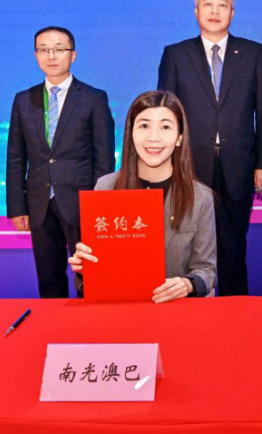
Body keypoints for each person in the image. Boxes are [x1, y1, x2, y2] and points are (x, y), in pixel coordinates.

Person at [157, 0, 262, 296]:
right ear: (196, 11)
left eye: (223, 5)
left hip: (239, 165)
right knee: (187, 246)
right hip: (189, 165)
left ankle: (236, 310)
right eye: (208, 4)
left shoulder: (253, 52)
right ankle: (188, 305)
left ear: (232, 13)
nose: (215, 11)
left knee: (233, 247)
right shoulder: (176, 54)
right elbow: (165, 114)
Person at [69, 91, 217, 301]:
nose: (153, 137)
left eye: (165, 127)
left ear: (179, 138)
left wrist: (187, 284)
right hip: (121, 308)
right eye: (144, 126)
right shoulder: (106, 187)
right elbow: (93, 278)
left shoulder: (200, 197)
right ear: (131, 133)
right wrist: (84, 268)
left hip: (176, 310)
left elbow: (207, 270)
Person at [6, 26, 115, 298]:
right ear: (36, 55)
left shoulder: (93, 98)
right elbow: (16, 156)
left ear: (73, 54)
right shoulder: (23, 99)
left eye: (58, 49)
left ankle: (92, 323)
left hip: (82, 202)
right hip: (39, 203)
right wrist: (17, 207)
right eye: (43, 50)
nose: (51, 56)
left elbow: (104, 157)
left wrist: (99, 204)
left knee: (89, 277)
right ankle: (53, 323)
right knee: (49, 277)